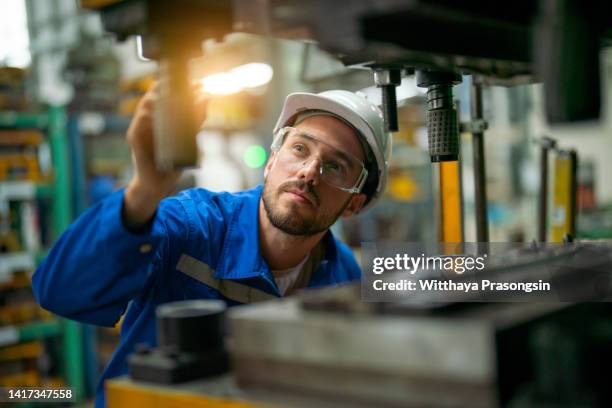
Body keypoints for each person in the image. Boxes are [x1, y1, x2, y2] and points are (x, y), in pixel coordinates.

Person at [32, 87, 391, 407]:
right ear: (270, 162)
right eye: (300, 148)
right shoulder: (191, 227)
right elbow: (60, 292)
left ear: (354, 204)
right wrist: (144, 191)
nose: (309, 172)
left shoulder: (342, 276)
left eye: (334, 166)